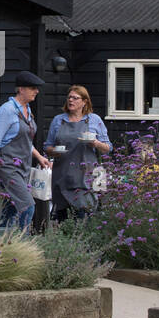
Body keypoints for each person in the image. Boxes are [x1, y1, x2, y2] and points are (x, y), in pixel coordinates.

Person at [0, 71, 52, 232]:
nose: (36, 91)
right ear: (21, 89)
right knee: (28, 206)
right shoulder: (7, 111)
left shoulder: (27, 110)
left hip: (23, 167)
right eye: (33, 88)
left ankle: (0, 240)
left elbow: (24, 140)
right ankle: (24, 242)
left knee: (12, 207)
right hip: (8, 166)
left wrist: (39, 157)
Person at [43, 84, 111, 222]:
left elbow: (108, 147)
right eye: (69, 97)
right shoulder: (58, 120)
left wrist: (95, 143)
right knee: (62, 221)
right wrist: (55, 151)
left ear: (85, 101)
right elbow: (47, 146)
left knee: (84, 219)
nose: (71, 100)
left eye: (75, 98)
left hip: (87, 178)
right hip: (62, 177)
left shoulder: (94, 120)